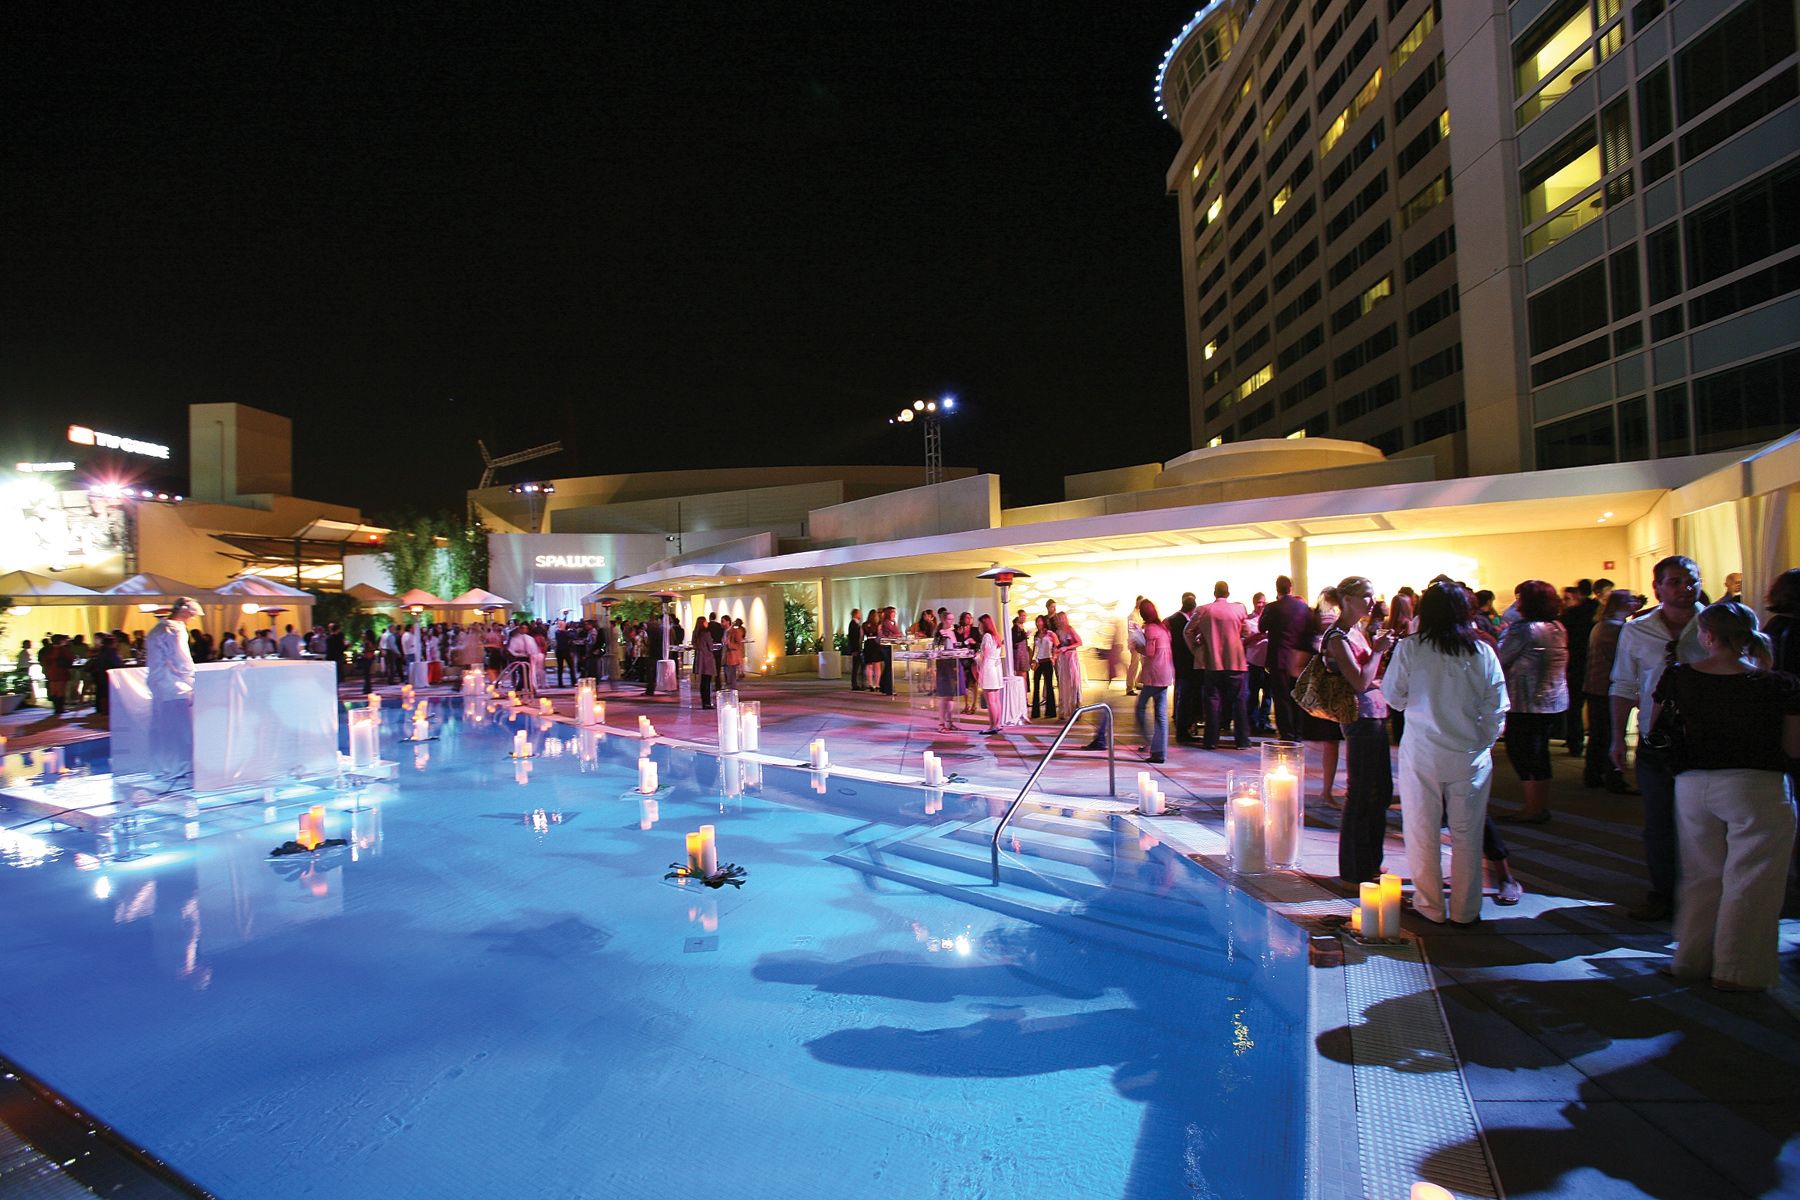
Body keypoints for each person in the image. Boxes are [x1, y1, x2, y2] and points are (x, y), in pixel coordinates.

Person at [1653, 602, 1799, 992]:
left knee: (1702, 876)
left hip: (1694, 784)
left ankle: (1691, 959)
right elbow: (1794, 746)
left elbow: (1657, 729)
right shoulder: (1779, 684)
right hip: (1758, 785)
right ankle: (1738, 970)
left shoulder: (1680, 677)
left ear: (1706, 635)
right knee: (1752, 878)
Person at [1383, 583, 1510, 924]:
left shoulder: (1412, 648)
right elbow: (1497, 705)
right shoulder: (1481, 651)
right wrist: (1482, 740)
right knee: (1467, 833)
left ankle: (1430, 905)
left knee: (1421, 829)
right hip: (1469, 754)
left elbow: (1393, 695)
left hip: (1423, 751)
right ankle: (1467, 910)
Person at [1610, 555, 1706, 922]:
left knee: (1704, 822)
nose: (1685, 588)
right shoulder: (1637, 630)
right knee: (1660, 822)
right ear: (1658, 587)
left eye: (1691, 581)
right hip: (1658, 738)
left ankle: (1702, 894)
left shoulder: (1715, 623)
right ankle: (1664, 893)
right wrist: (1617, 738)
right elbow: (1624, 684)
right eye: (1676, 581)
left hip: (1706, 737)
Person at [1323, 577, 1395, 884]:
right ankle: (1354, 867)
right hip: (1359, 718)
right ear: (1347, 599)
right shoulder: (1338, 637)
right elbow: (1360, 681)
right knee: (1362, 792)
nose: (1371, 601)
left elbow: (1367, 679)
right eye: (1365, 596)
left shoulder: (1355, 632)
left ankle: (1369, 862)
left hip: (1374, 714)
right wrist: (1378, 651)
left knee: (1378, 792)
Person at [1496, 580, 1569, 824]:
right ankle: (1538, 805)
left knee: (1524, 753)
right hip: (1552, 699)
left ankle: (1532, 808)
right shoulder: (1557, 626)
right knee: (1539, 753)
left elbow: (1499, 658)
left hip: (1525, 701)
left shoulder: (1523, 630)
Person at [1582, 589, 1642, 793]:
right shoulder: (1616, 629)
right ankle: (1613, 776)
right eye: (1630, 600)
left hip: (1596, 685)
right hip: (1607, 687)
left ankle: (1593, 773)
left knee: (1599, 734)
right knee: (1612, 734)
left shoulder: (1601, 626)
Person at [1191, 580, 1253, 750]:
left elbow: (1187, 631)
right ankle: (1242, 740)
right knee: (1239, 702)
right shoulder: (1239, 609)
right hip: (1236, 662)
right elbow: (1247, 632)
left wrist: (1197, 648)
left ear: (1214, 593)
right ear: (1228, 593)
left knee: (1212, 702)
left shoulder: (1203, 610)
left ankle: (1211, 740)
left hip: (1213, 662)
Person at [146, 598, 201, 789]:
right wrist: (192, 682)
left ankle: (164, 767)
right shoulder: (176, 629)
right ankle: (181, 768)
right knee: (181, 730)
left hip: (159, 685)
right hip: (175, 687)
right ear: (186, 612)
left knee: (164, 729)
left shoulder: (156, 629)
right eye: (192, 616)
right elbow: (182, 660)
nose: (192, 619)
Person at [1259, 575, 1312, 741]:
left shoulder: (1272, 607)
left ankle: (1286, 733)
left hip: (1279, 659)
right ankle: (1298, 732)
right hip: (1299, 659)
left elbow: (1261, 627)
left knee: (1281, 699)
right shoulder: (1304, 608)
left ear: (1277, 589)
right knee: (1298, 697)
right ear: (1291, 588)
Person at [1132, 598, 1173, 763]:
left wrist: (1137, 645)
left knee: (1140, 708)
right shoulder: (1163, 627)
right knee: (1161, 715)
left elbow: (1149, 652)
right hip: (1165, 674)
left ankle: (1147, 740)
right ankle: (1160, 752)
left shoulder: (1149, 629)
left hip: (1154, 676)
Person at [1560, 579, 1598, 755]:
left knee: (1574, 706)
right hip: (1596, 664)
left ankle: (1575, 742)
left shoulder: (1570, 615)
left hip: (1575, 663)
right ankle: (1595, 743)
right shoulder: (1599, 612)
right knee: (1596, 705)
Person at [1166, 593, 1201, 743]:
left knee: (1180, 692)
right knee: (1186, 696)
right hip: (1187, 662)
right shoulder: (1184, 622)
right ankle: (1184, 727)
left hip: (1177, 660)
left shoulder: (1171, 619)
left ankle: (1180, 720)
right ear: (1192, 610)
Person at [975, 614, 1007, 735]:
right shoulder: (996, 636)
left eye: (980, 624)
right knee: (996, 699)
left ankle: (992, 725)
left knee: (991, 700)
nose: (979, 626)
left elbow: (985, 656)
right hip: (996, 668)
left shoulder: (987, 636)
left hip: (989, 668)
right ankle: (997, 724)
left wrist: (978, 661)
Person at [931, 618, 963, 732]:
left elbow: (957, 646)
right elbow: (936, 650)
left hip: (953, 664)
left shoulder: (954, 633)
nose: (951, 621)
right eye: (949, 619)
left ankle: (949, 722)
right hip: (943, 666)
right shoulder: (940, 635)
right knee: (944, 696)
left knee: (951, 695)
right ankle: (941, 723)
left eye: (952, 619)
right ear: (944, 620)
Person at [1030, 615, 1058, 720]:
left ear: (1044, 622)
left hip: (1047, 661)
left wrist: (1054, 657)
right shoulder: (1036, 635)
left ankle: (1050, 712)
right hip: (1038, 662)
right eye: (1037, 621)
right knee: (1036, 686)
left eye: (1040, 621)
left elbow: (1057, 645)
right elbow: (1034, 649)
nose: (1038, 623)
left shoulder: (1050, 634)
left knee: (1049, 686)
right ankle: (1035, 712)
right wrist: (1032, 660)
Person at [690, 620, 717, 709]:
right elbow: (710, 646)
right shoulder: (706, 633)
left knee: (703, 682)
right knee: (707, 681)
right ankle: (707, 703)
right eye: (705, 622)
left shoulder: (696, 633)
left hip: (700, 658)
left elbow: (693, 644)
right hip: (707, 658)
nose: (707, 623)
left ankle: (704, 702)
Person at [1124, 596, 1145, 696]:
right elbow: (1133, 631)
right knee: (1134, 664)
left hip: (1141, 642)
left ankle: (1137, 682)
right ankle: (1129, 687)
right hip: (1136, 643)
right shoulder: (1132, 615)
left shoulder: (1139, 614)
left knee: (1143, 663)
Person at [845, 609, 865, 691]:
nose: (860, 615)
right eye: (859, 614)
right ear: (855, 614)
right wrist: (854, 650)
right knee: (856, 667)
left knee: (859, 666)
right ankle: (855, 684)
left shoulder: (856, 624)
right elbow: (853, 638)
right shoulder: (853, 624)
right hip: (856, 649)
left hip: (858, 648)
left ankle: (859, 683)